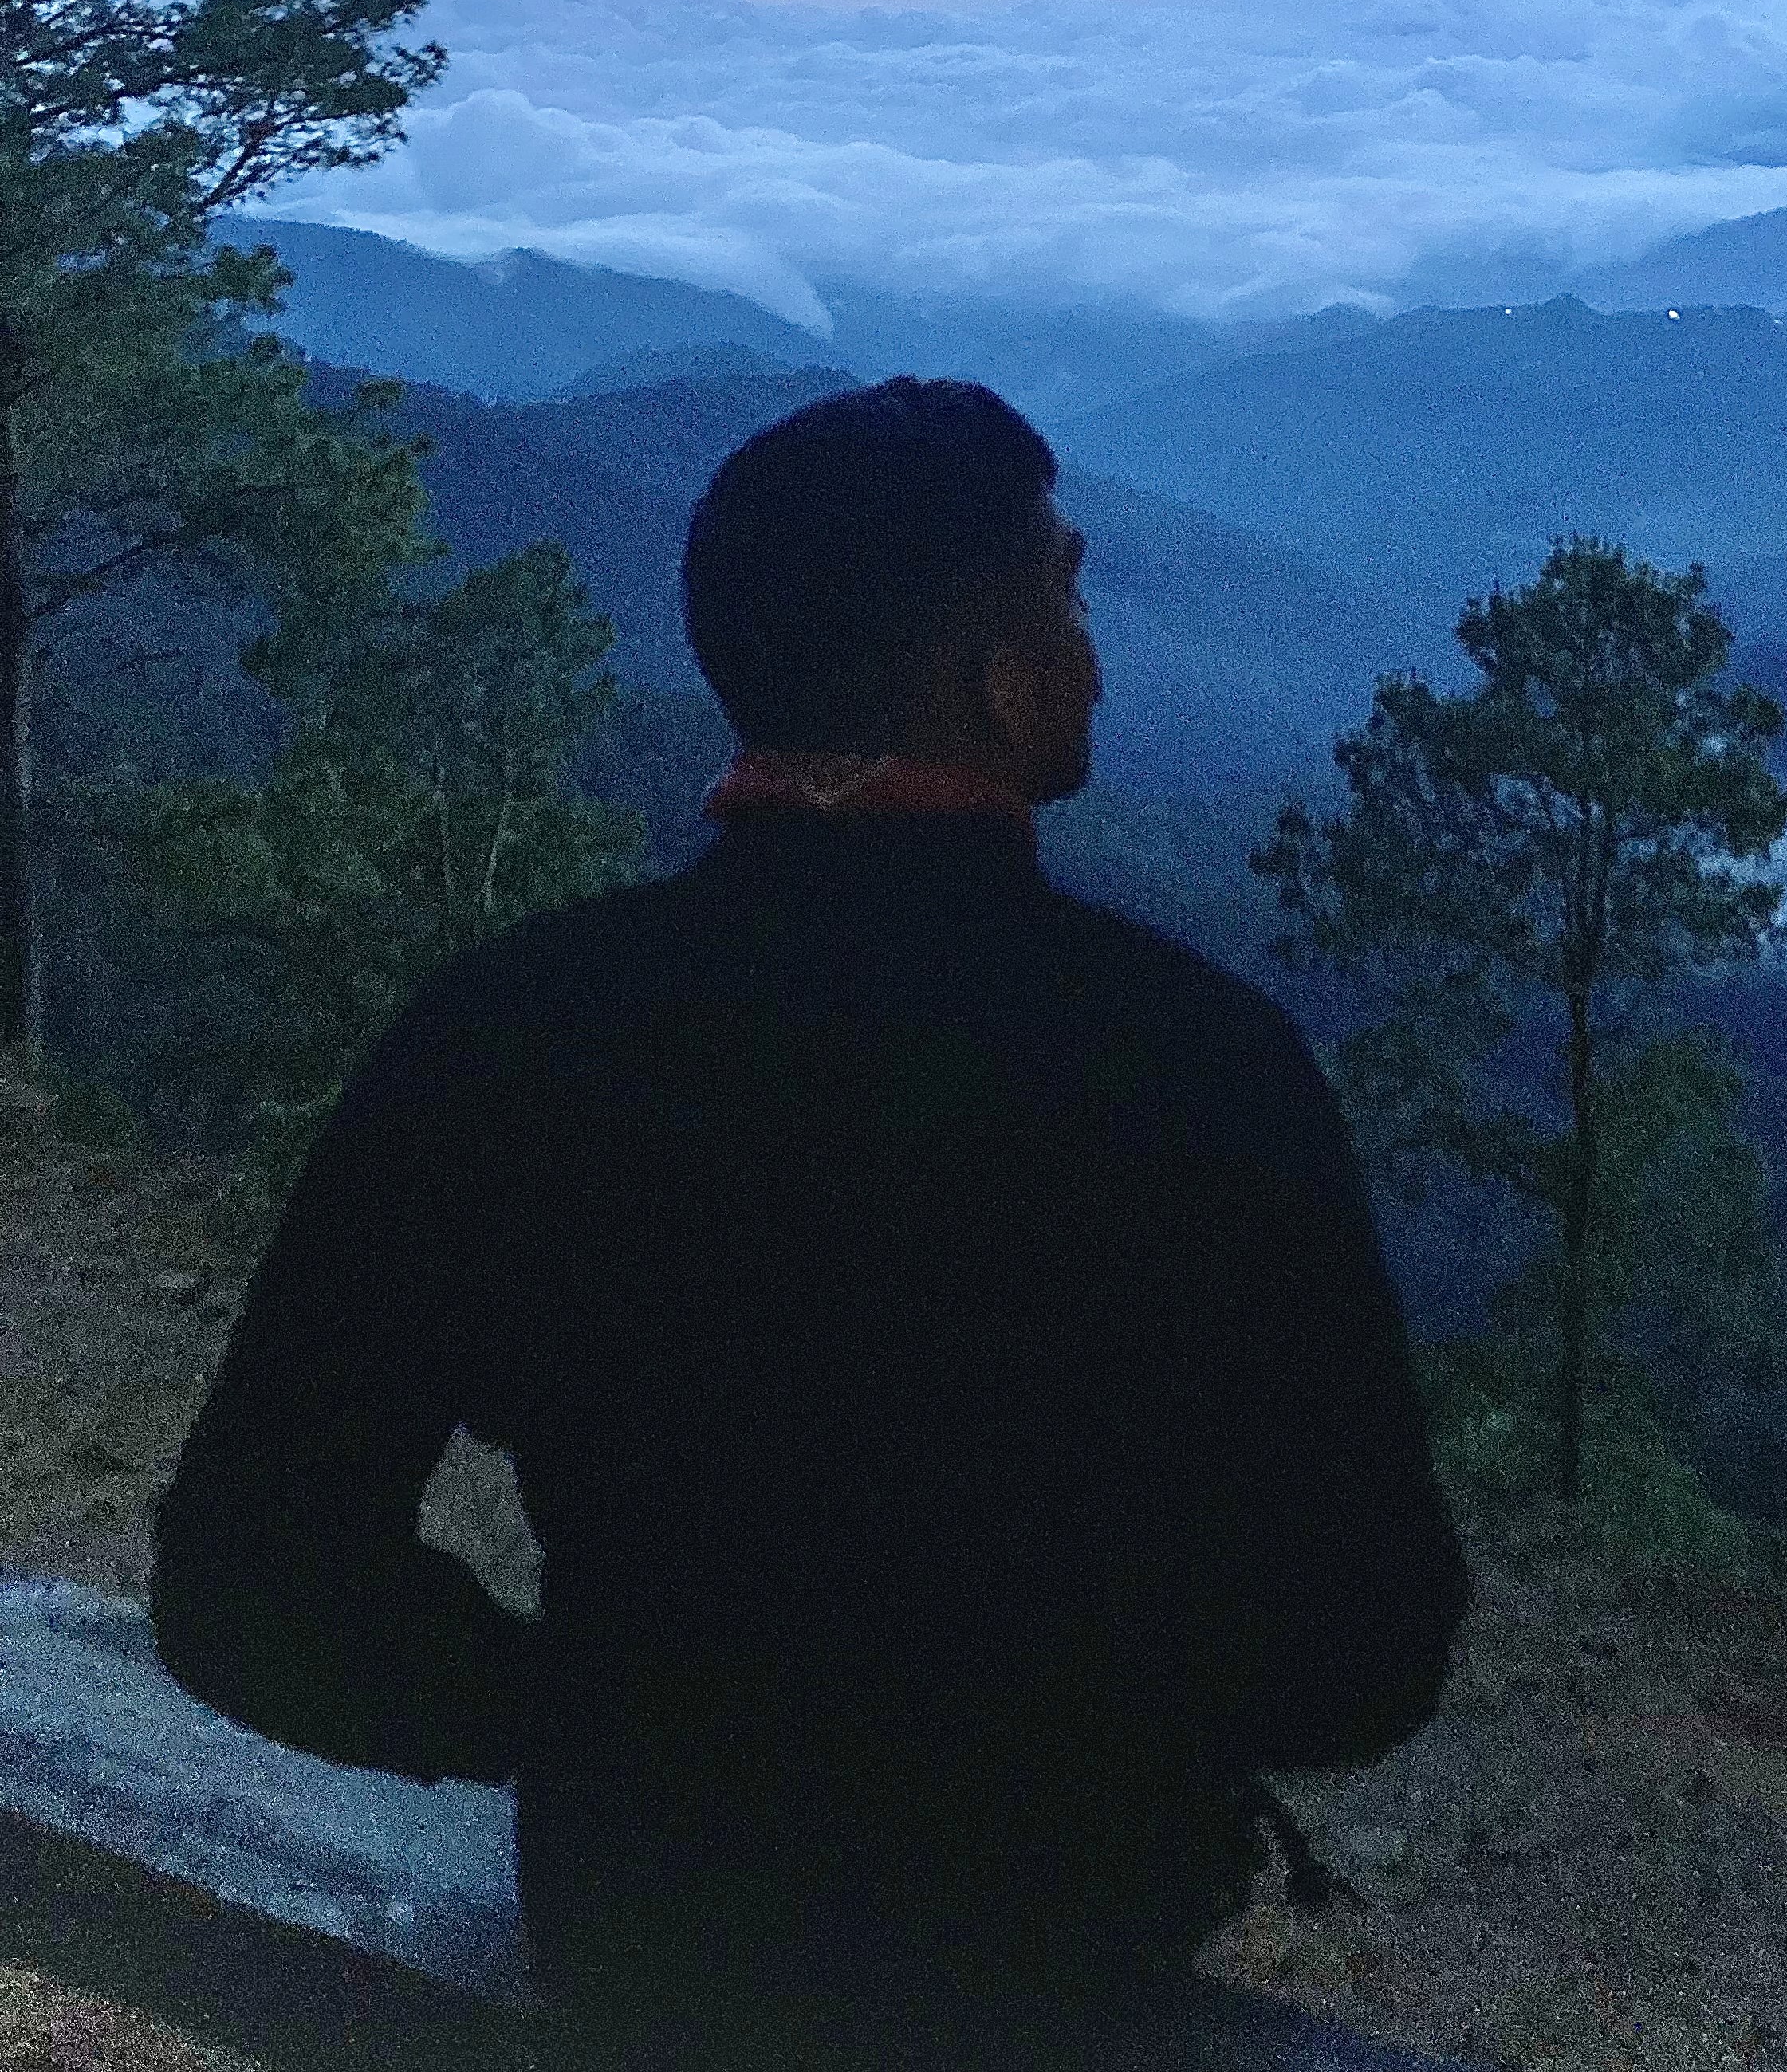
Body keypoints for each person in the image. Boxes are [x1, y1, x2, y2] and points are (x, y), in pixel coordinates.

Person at [149, 376, 1470, 2068]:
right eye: (1067, 598)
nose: (1091, 652)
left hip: (649, 1945)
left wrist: (592, 1720)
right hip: (1056, 1965)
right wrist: (1067, 1729)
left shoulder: (510, 1033)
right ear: (1003, 684)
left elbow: (248, 1581)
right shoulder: (1202, 1069)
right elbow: (1369, 1649)